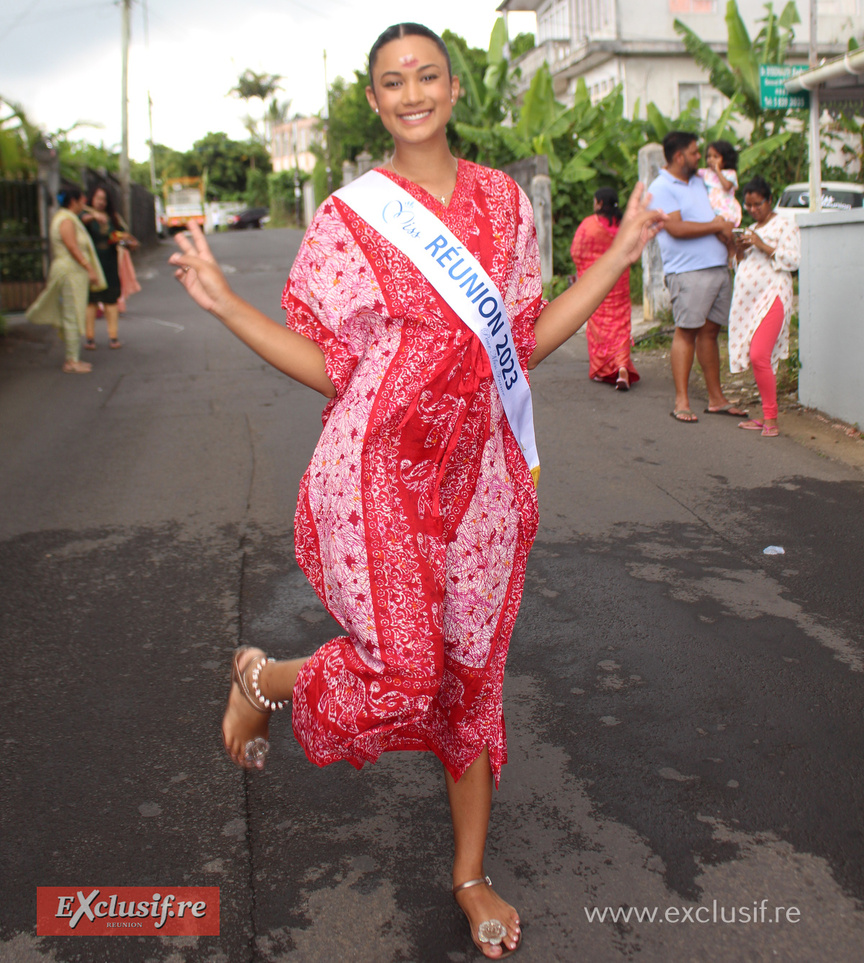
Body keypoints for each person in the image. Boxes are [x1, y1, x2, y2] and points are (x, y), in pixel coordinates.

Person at [169, 23, 664, 959]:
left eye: (427, 76)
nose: (412, 94)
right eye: (392, 81)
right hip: (379, 471)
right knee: (406, 672)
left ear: (453, 87)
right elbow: (330, 366)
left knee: (470, 680)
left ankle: (471, 875)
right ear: (374, 99)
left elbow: (523, 338)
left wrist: (620, 251)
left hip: (476, 474)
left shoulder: (506, 205)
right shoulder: (351, 216)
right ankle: (263, 678)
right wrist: (228, 306)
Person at [647, 131, 747, 424]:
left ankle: (716, 399)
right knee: (687, 331)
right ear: (679, 156)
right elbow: (675, 228)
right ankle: (682, 401)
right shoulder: (662, 186)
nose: (699, 157)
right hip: (688, 271)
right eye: (693, 152)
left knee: (710, 333)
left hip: (717, 267)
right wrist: (716, 224)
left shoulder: (701, 181)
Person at [729, 177, 800, 438]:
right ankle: (766, 415)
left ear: (769, 200)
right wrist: (739, 250)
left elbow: (792, 260)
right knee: (759, 358)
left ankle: (771, 419)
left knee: (759, 354)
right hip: (749, 303)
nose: (753, 210)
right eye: (748, 205)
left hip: (773, 297)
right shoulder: (750, 228)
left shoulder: (785, 224)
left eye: (757, 204)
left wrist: (761, 244)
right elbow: (742, 266)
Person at [26, 187, 106, 373]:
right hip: (70, 271)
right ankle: (71, 361)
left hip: (73, 271)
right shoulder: (66, 220)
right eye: (82, 198)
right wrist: (89, 267)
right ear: (74, 201)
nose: (85, 201)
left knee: (74, 312)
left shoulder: (68, 218)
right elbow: (72, 247)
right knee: (72, 314)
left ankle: (73, 358)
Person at [570, 187, 639, 390]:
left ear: (599, 203)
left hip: (597, 283)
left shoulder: (589, 225)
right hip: (620, 281)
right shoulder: (623, 225)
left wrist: (586, 272)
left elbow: (577, 252)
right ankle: (622, 367)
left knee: (600, 326)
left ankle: (603, 369)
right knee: (620, 324)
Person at [81, 185, 137, 349]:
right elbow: (82, 221)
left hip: (110, 262)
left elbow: (121, 236)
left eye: (104, 199)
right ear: (92, 198)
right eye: (98, 198)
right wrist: (94, 217)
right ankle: (90, 339)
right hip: (92, 262)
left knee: (111, 299)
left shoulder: (113, 218)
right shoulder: (85, 215)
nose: (101, 202)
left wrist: (127, 242)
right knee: (90, 301)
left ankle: (113, 337)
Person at [697, 140, 742, 227]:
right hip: (710, 208)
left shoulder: (729, 173)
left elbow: (727, 186)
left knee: (718, 223)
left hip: (725, 208)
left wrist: (717, 170)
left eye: (716, 157)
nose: (711, 160)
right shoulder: (704, 172)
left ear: (725, 159)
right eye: (709, 156)